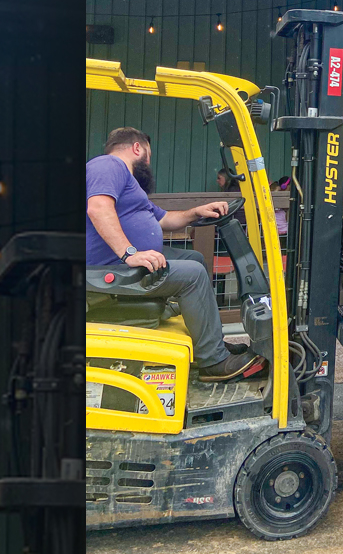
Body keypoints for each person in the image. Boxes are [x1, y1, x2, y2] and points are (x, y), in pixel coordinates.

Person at [86, 127, 258, 382]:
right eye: (149, 156)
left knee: (194, 260)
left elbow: (165, 219)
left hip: (121, 264)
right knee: (193, 274)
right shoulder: (108, 165)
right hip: (108, 269)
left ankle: (209, 343)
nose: (149, 163)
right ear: (137, 148)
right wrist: (129, 253)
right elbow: (98, 207)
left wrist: (198, 211)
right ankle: (214, 361)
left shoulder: (131, 187)